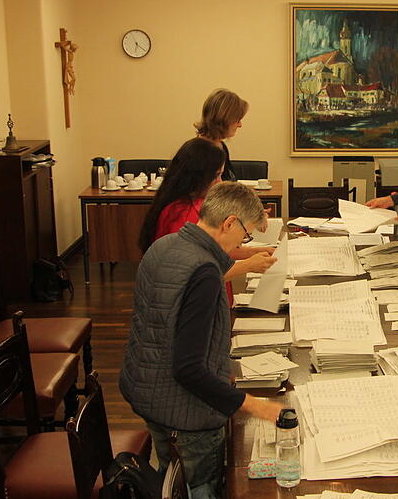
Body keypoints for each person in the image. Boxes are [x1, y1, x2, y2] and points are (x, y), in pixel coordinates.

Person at [120, 181, 284, 499]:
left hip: (147, 390)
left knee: (171, 476)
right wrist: (252, 405)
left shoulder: (164, 245)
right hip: (187, 414)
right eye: (246, 234)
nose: (243, 242)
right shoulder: (205, 272)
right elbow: (189, 368)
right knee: (199, 488)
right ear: (229, 223)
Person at [137, 138, 275, 280]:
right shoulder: (184, 215)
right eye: (216, 175)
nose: (220, 182)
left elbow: (216, 248)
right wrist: (248, 265)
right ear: (197, 176)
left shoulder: (188, 203)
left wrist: (254, 252)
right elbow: (195, 275)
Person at [195, 88, 249, 182]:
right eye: (237, 120)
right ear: (225, 119)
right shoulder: (199, 154)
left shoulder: (220, 146)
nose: (240, 125)